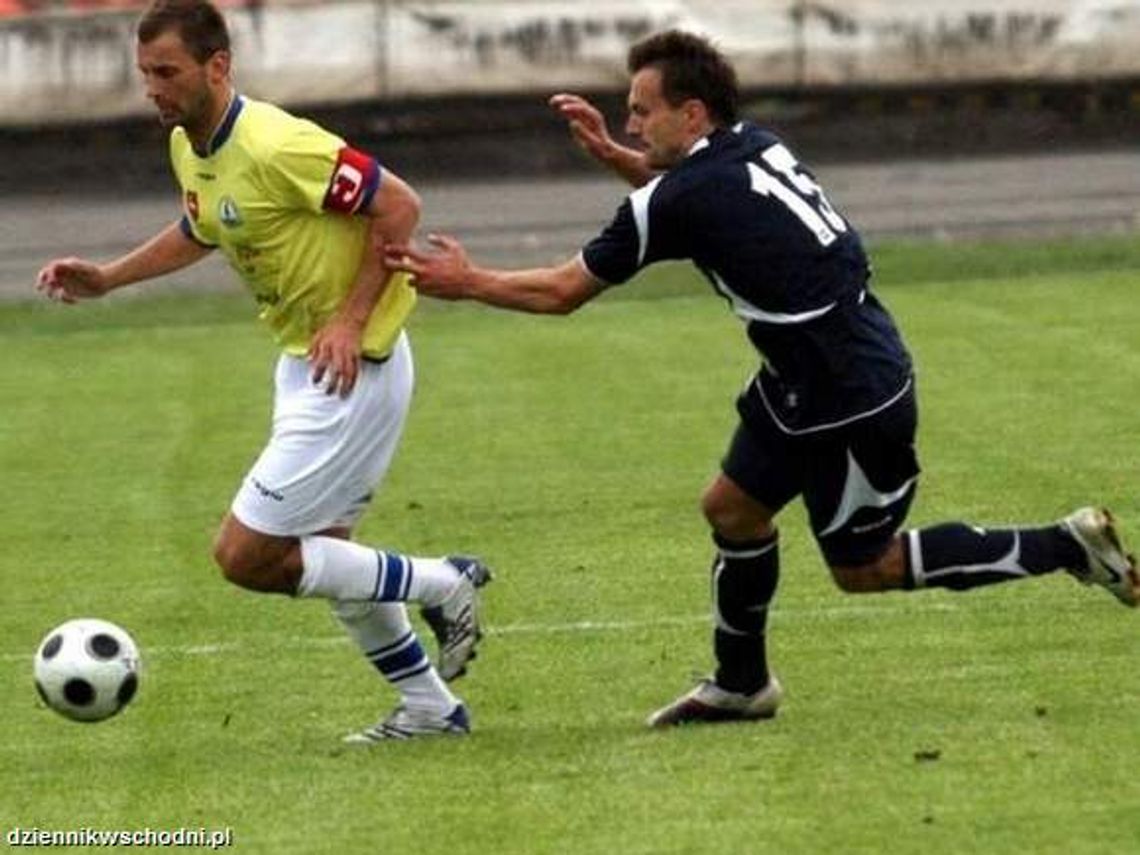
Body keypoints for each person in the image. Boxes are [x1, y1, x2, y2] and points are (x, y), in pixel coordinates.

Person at [387, 29, 1138, 728]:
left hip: (849, 399)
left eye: (642, 112)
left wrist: (468, 278)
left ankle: (1065, 546)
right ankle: (741, 682)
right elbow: (685, 199)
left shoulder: (675, 196)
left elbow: (562, 290)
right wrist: (619, 156)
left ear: (692, 110)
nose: (635, 123)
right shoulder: (755, 144)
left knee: (864, 568)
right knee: (732, 508)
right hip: (813, 375)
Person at [35, 0, 490, 743]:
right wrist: (110, 278)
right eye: (145, 73)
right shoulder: (191, 143)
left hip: (351, 366)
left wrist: (347, 320)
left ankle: (445, 580)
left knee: (245, 555)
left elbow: (398, 206)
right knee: (328, 556)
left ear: (218, 67)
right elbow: (202, 225)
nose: (152, 88)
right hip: (307, 362)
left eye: (167, 72)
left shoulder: (278, 143)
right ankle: (431, 709)